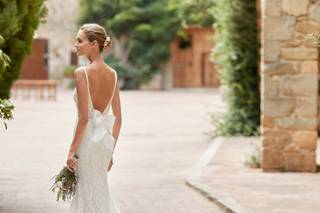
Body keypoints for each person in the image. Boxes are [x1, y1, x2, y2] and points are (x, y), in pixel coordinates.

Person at [67, 23, 122, 213]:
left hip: (86, 141)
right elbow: (119, 118)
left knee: (85, 190)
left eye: (80, 40)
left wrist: (71, 151)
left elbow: (83, 118)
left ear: (94, 44)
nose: (76, 44)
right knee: (99, 187)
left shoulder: (81, 73)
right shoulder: (113, 75)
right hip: (103, 143)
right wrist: (111, 152)